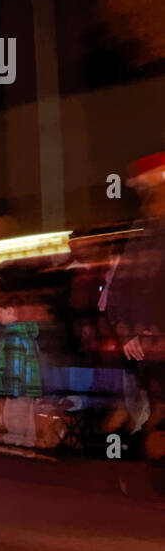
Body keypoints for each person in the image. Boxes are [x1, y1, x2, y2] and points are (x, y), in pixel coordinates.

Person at [104, 152, 165, 487]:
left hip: (151, 342)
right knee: (159, 407)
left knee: (159, 408)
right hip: (151, 345)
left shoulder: (144, 236)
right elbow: (119, 292)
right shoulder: (144, 236)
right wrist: (130, 333)